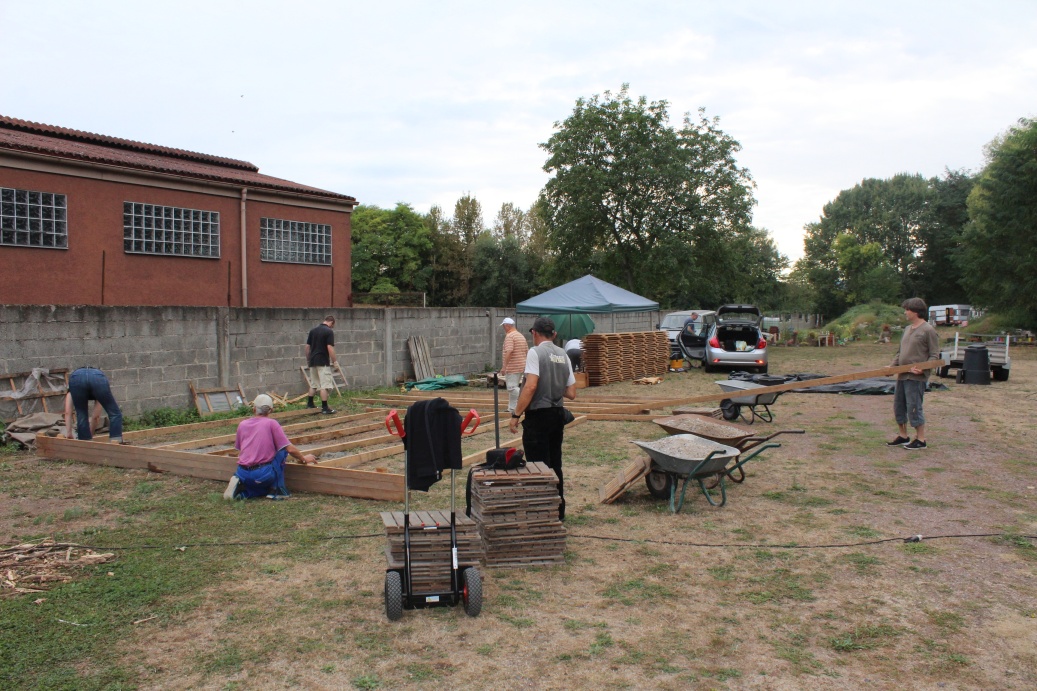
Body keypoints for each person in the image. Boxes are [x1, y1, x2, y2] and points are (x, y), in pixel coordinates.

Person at [509, 317, 577, 519]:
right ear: (554, 334)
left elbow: (530, 386)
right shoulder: (563, 354)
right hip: (557, 414)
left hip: (538, 416)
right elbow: (571, 392)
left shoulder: (535, 352)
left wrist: (516, 414)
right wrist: (553, 384)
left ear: (534, 333)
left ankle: (541, 512)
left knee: (537, 465)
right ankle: (558, 511)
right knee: (555, 463)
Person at [224, 394, 317, 500]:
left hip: (242, 472)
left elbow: (241, 449)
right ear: (271, 410)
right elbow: (290, 449)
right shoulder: (271, 423)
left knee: (261, 489)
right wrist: (304, 459)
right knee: (282, 449)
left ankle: (240, 493)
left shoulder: (243, 424)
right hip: (261, 474)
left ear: (254, 409)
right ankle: (278, 490)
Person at [886, 298, 940, 450]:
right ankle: (903, 436)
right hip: (902, 375)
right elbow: (900, 352)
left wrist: (923, 369)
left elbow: (934, 355)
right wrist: (892, 367)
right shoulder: (907, 329)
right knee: (899, 406)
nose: (905, 312)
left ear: (916, 311)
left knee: (914, 407)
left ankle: (921, 439)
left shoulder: (928, 330)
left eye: (907, 309)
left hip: (916, 378)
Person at [65, 367, 125, 443]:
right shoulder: (98, 388)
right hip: (97, 377)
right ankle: (116, 441)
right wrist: (91, 434)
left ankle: (85, 443)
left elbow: (67, 412)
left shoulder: (72, 389)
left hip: (76, 377)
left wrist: (69, 433)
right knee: (115, 413)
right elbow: (96, 417)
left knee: (81, 415)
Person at [305, 315, 337, 415]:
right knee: (325, 385)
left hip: (313, 361)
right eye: (332, 326)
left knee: (314, 384)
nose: (332, 327)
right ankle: (325, 408)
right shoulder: (329, 331)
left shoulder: (313, 331)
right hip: (322, 361)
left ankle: (310, 404)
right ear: (331, 322)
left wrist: (308, 360)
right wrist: (335, 361)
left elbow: (307, 347)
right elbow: (330, 347)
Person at [498, 317, 528, 413]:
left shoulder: (510, 336)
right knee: (513, 387)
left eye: (504, 326)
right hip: (521, 365)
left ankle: (525, 397)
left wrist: (504, 367)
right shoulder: (520, 336)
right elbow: (526, 351)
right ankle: (511, 408)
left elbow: (509, 351)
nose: (503, 328)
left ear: (507, 326)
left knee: (512, 388)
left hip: (513, 366)